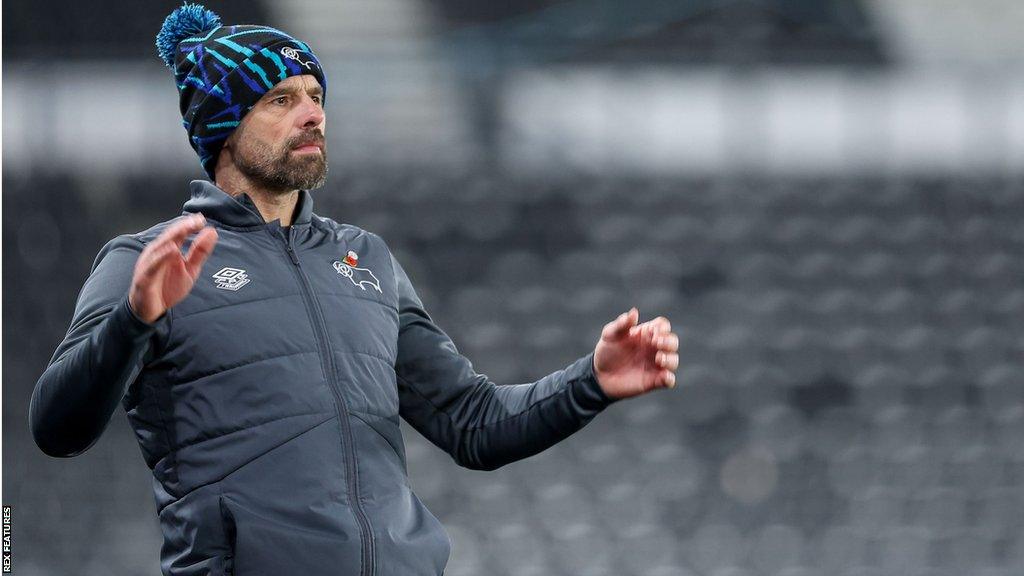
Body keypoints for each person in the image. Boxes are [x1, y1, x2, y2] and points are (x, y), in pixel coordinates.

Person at [28, 3, 680, 575]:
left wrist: (590, 381)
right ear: (223, 125)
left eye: (315, 95)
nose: (311, 114)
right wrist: (135, 318)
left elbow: (474, 425)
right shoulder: (146, 260)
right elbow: (57, 428)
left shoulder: (366, 257)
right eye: (281, 99)